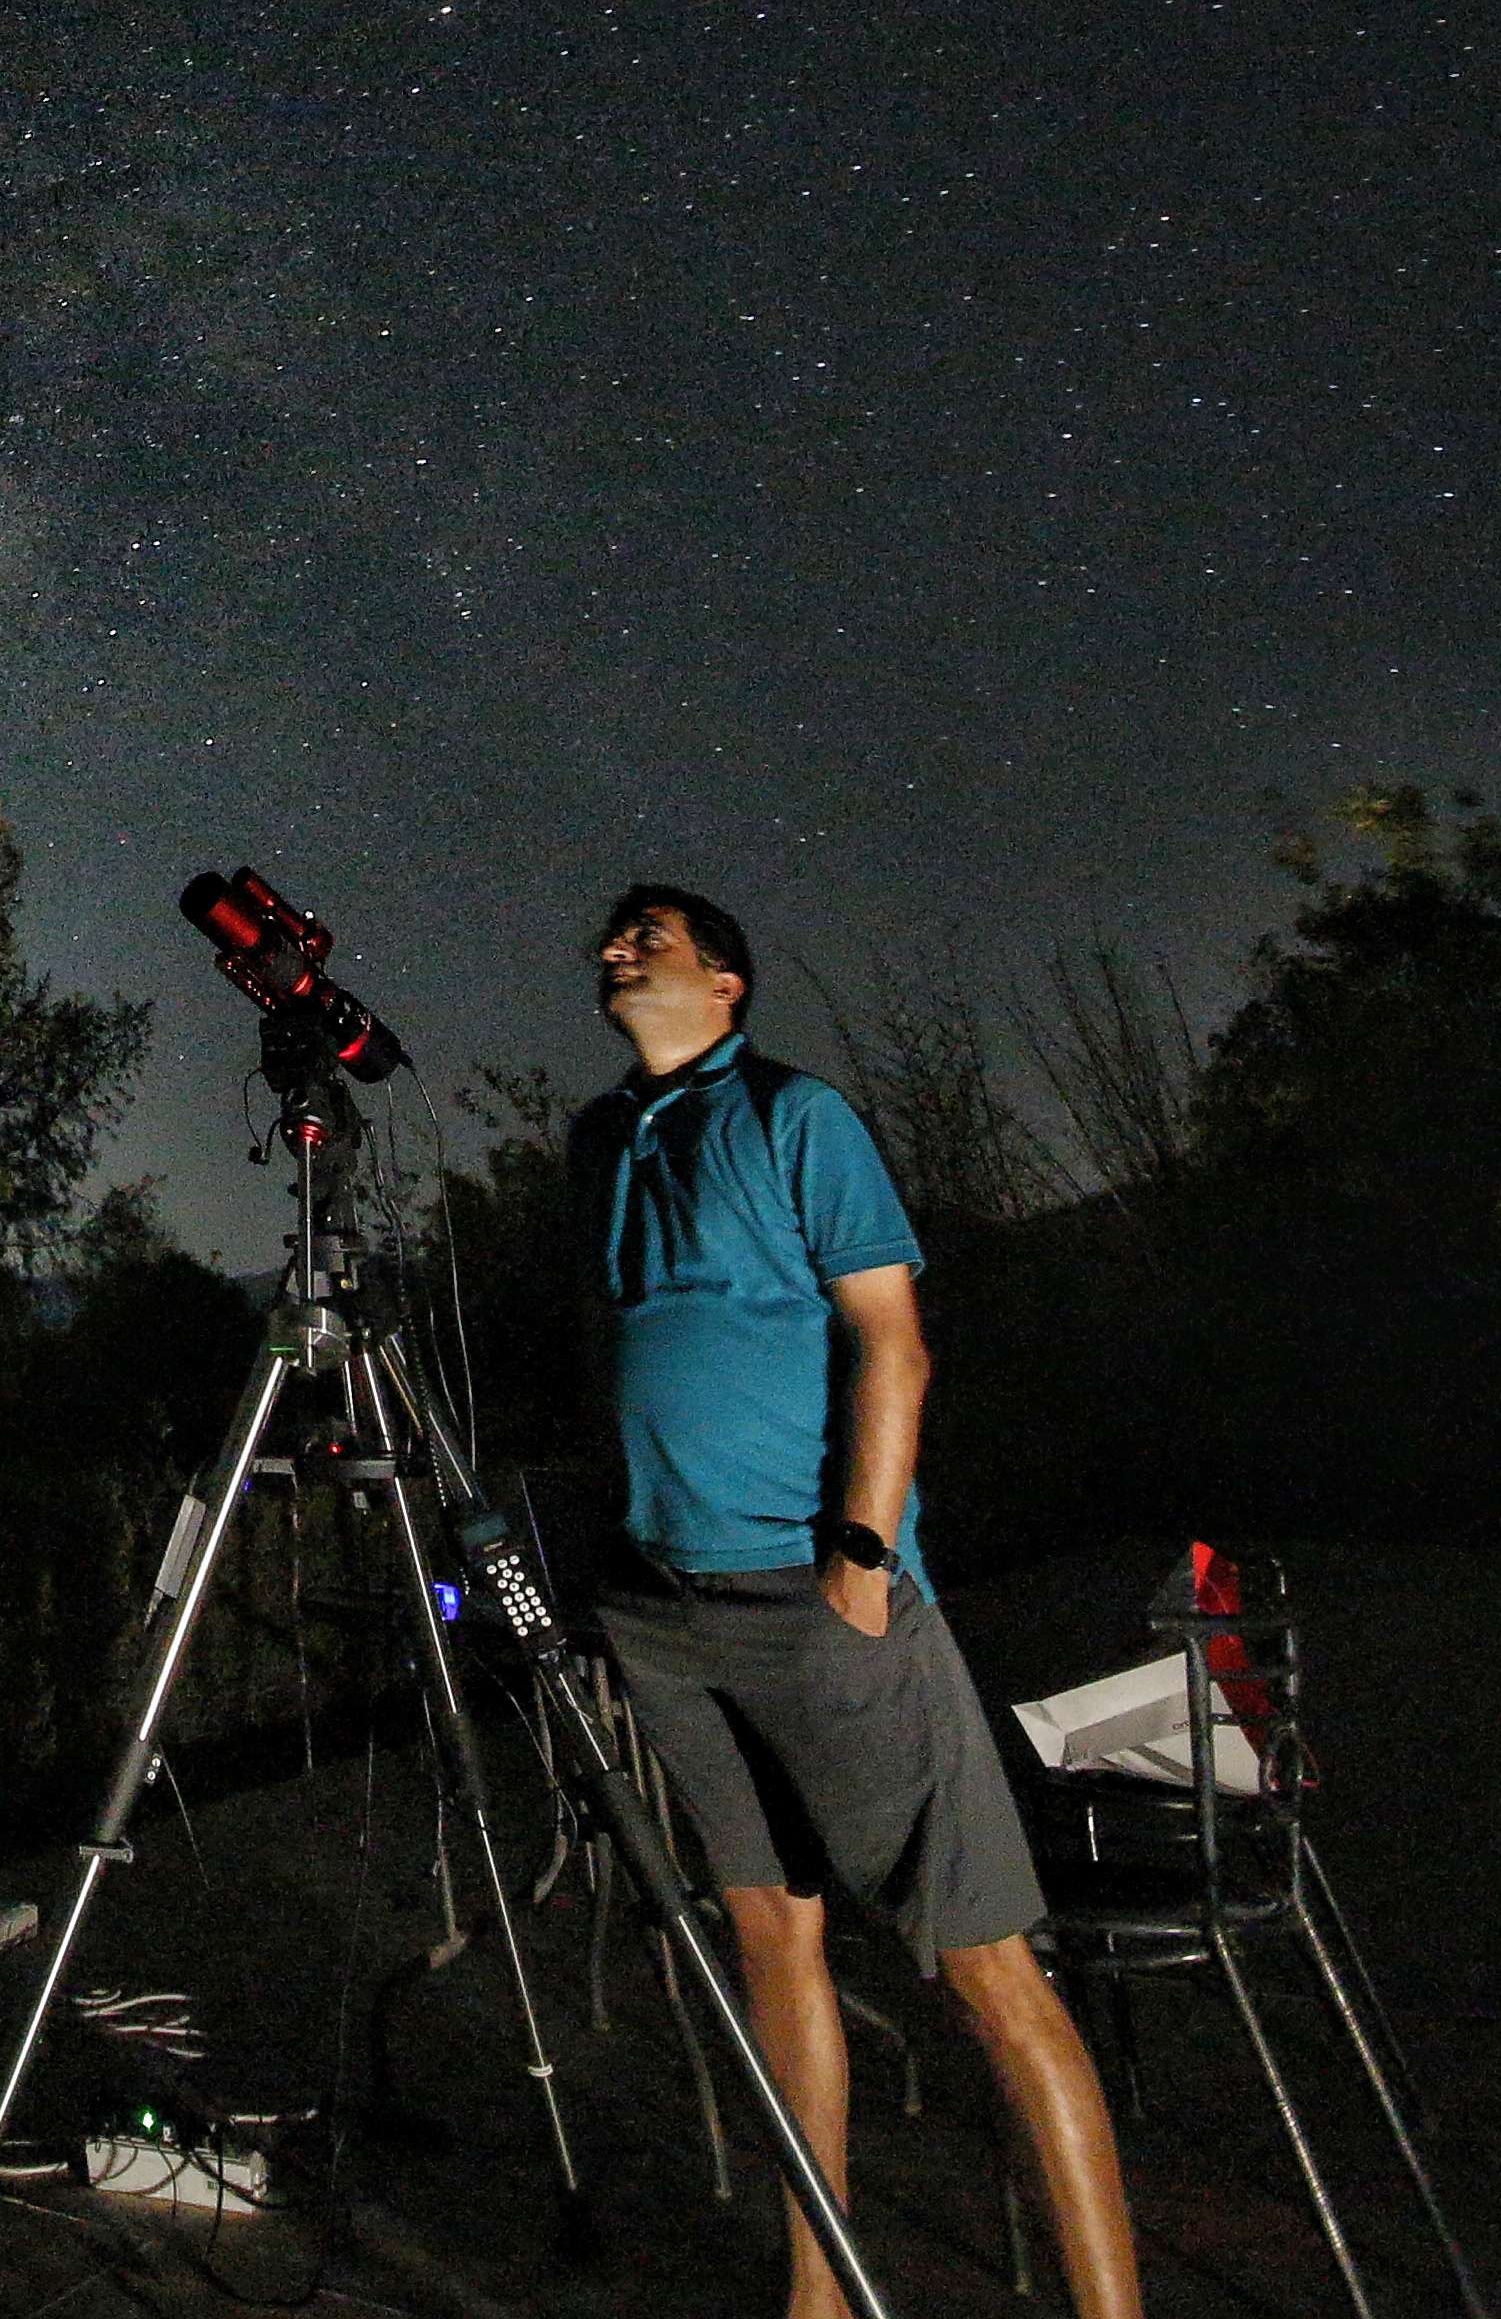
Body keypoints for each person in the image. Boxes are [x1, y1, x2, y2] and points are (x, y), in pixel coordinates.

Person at [580, 877, 1142, 2319]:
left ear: (727, 984)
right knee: (773, 1938)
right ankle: (817, 2303)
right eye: (613, 939)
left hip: (814, 1597)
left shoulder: (796, 1115)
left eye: (652, 937)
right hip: (668, 1607)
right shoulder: (601, 1135)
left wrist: (864, 1560)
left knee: (984, 1967)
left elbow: (893, 1340)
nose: (617, 949)